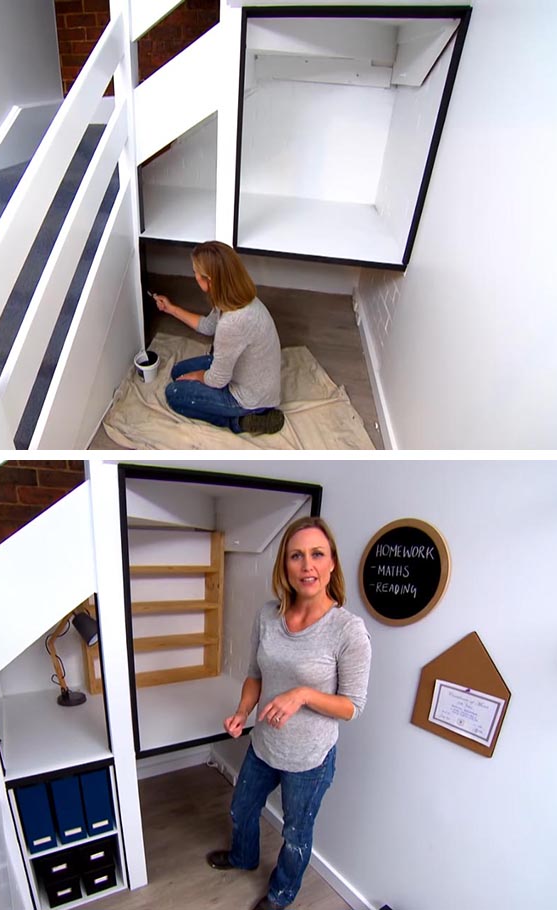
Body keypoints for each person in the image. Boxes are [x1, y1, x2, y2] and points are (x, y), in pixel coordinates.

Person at [206, 516, 372, 910]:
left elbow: (353, 706)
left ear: (332, 563)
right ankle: (244, 858)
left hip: (310, 759)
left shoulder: (348, 631)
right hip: (264, 744)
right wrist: (243, 711)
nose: (307, 565)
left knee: (296, 833)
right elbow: (254, 674)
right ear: (285, 565)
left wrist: (303, 694)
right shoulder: (268, 616)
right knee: (241, 807)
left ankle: (280, 895)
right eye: (296, 556)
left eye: (317, 554)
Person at [151, 240, 284, 435]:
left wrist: (196, 376)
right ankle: (246, 413)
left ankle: (242, 421)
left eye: (196, 271)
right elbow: (207, 326)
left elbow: (217, 380)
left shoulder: (232, 323)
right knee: (177, 371)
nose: (194, 275)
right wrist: (171, 309)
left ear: (209, 280)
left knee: (175, 394)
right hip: (247, 374)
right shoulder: (234, 297)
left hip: (250, 397)